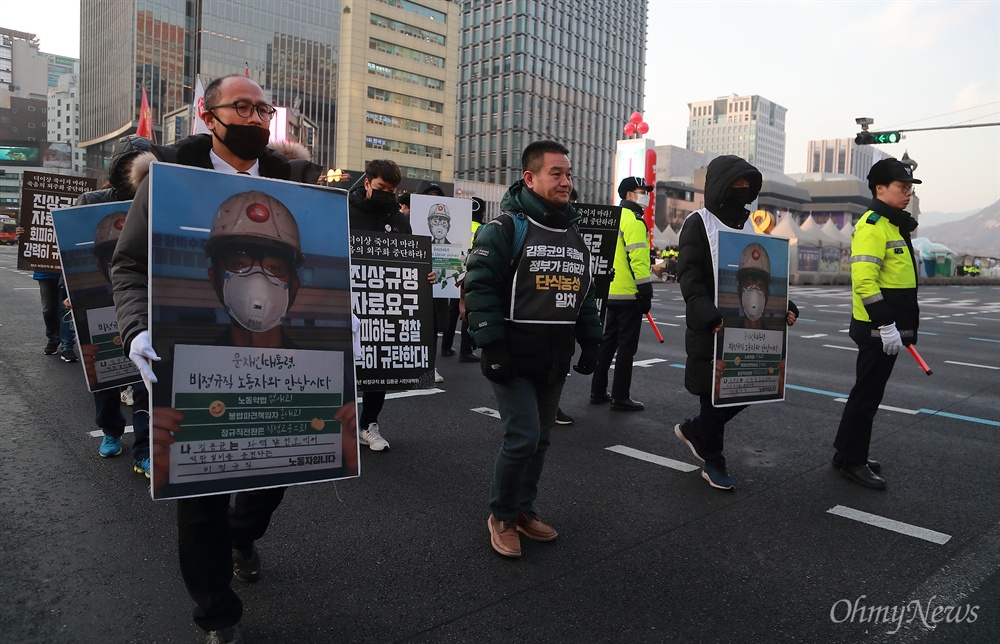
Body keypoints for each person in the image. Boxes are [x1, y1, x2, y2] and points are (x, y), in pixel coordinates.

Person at [111, 74, 346, 644]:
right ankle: (217, 613)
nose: (255, 119)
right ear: (206, 115)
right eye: (240, 107)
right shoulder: (168, 182)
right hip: (194, 365)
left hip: (283, 373)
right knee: (199, 501)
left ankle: (245, 534)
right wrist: (137, 331)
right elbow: (127, 267)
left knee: (276, 473)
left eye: (263, 109)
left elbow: (326, 261)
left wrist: (346, 317)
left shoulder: (299, 183)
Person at [464, 140, 602, 558]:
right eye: (555, 173)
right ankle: (502, 516)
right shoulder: (504, 228)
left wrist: (592, 342)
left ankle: (524, 511)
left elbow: (584, 292)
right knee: (522, 437)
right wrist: (490, 345)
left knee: (541, 440)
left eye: (568, 174)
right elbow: (479, 286)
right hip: (512, 354)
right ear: (530, 178)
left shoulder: (573, 234)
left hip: (554, 358)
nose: (566, 181)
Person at [672, 155, 797, 491]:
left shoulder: (751, 226)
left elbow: (765, 276)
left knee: (752, 387)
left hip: (746, 330)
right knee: (713, 398)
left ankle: (696, 430)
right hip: (711, 328)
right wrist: (705, 312)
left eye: (748, 186)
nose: (742, 191)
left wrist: (785, 305)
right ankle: (713, 461)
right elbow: (689, 274)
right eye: (735, 185)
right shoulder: (699, 222)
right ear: (719, 187)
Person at [833, 158, 921, 490]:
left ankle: (846, 453)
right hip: (878, 331)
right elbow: (864, 282)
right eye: (902, 187)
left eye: (910, 187)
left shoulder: (892, 225)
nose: (908, 193)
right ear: (880, 189)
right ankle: (853, 462)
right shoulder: (873, 226)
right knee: (867, 396)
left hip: (887, 330)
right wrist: (886, 325)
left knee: (864, 393)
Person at [75, 134, 153, 476]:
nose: (132, 173)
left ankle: (145, 448)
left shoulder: (156, 200)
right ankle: (110, 430)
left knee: (145, 380)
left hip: (140, 303)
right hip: (100, 306)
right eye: (126, 166)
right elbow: (74, 250)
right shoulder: (93, 200)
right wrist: (72, 291)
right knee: (105, 376)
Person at [348, 159, 409, 452]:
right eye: (382, 188)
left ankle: (368, 424)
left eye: (393, 189)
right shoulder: (343, 210)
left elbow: (409, 257)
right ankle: (336, 421)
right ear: (368, 182)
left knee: (379, 362)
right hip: (347, 299)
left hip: (384, 302)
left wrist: (422, 272)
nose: (388, 193)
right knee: (343, 362)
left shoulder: (399, 218)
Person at [589, 176, 653, 411]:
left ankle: (597, 391)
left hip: (608, 291)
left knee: (607, 342)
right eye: (642, 191)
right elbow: (638, 258)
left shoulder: (612, 217)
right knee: (627, 347)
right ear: (629, 194)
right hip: (629, 294)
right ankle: (620, 396)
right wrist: (646, 291)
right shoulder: (634, 220)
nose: (646, 194)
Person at [443, 196, 484, 362]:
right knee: (467, 309)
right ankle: (465, 351)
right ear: (482, 212)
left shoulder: (459, 226)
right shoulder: (483, 228)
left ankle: (446, 346)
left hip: (455, 270)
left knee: (452, 310)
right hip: (472, 274)